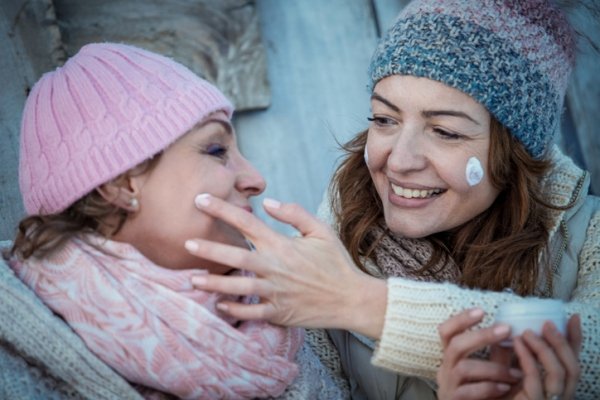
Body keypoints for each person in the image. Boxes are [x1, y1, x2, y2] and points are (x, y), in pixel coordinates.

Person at [185, 1, 599, 399]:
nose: (399, 161)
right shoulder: (340, 226)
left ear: (514, 151)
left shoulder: (588, 236)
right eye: (385, 120)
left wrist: (357, 301)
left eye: (446, 131)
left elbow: (591, 346)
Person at [2, 42, 348, 399]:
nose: (255, 179)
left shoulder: (284, 311)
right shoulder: (17, 357)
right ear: (120, 184)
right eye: (217, 150)